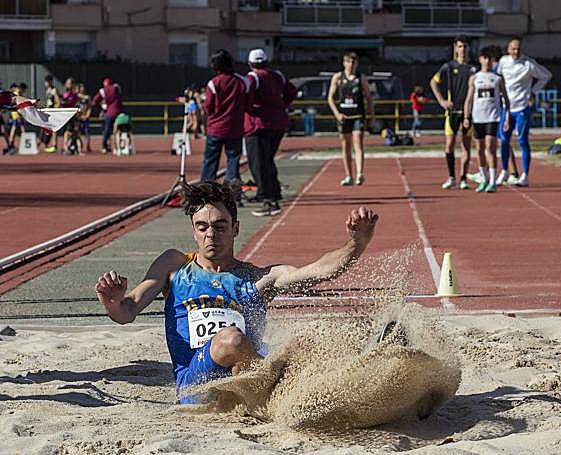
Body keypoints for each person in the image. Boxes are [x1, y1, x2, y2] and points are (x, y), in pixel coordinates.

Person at [95, 181, 379, 404]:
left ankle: (372, 365)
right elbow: (127, 311)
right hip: (199, 383)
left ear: (235, 229)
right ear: (194, 232)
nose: (211, 235)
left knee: (305, 344)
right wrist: (112, 301)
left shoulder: (257, 278)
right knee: (230, 339)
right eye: (202, 227)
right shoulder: (175, 266)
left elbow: (317, 272)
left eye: (220, 227)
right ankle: (275, 394)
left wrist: (356, 244)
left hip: (249, 370)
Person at [244, 48, 298, 217]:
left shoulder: (253, 78)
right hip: (278, 122)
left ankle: (268, 198)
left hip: (259, 124)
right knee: (268, 160)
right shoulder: (278, 75)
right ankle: (271, 192)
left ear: (250, 63)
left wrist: (251, 109)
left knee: (258, 163)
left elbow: (246, 99)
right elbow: (292, 92)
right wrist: (281, 105)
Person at [496, 37, 552, 187]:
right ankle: (504, 171)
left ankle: (525, 175)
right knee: (503, 140)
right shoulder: (503, 62)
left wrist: (533, 92)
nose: (516, 51)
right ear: (508, 50)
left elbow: (546, 76)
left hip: (522, 108)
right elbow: (498, 77)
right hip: (506, 109)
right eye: (513, 49)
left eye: (518, 49)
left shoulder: (528, 64)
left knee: (522, 140)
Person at [430, 35, 477, 190]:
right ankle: (451, 177)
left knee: (466, 146)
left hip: (467, 113)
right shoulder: (448, 67)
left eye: (465, 46)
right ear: (455, 48)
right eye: (460, 46)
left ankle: (463, 178)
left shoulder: (473, 68)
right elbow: (433, 82)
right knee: (449, 145)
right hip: (451, 113)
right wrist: (442, 101)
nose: (462, 49)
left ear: (469, 48)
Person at [463, 47, 510, 194]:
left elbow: (506, 99)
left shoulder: (497, 79)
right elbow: (469, 99)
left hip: (492, 117)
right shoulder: (475, 78)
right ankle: (484, 178)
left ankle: (493, 181)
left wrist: (506, 116)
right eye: (485, 58)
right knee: (479, 149)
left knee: (490, 147)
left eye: (491, 59)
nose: (488, 61)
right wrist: (466, 117)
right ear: (480, 59)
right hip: (478, 118)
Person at [201, 49, 250, 184]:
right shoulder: (242, 81)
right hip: (234, 127)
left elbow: (208, 107)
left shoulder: (214, 83)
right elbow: (248, 102)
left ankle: (207, 189)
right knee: (233, 159)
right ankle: (232, 185)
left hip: (216, 128)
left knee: (210, 160)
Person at [327, 51, 374, 186]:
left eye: (354, 62)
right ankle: (349, 175)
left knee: (358, 142)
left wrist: (371, 115)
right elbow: (330, 98)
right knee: (345, 146)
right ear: (344, 63)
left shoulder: (361, 78)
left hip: (358, 115)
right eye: (349, 62)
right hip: (343, 116)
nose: (351, 65)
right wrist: (337, 114)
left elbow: (369, 98)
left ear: (357, 64)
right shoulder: (337, 77)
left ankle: (360, 173)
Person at [92, 77, 123, 154]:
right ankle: (120, 146)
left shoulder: (103, 91)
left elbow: (94, 101)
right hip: (118, 112)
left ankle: (104, 146)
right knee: (119, 130)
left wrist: (102, 108)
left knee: (107, 129)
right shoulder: (116, 88)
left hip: (108, 113)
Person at [41, 75, 61, 153]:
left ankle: (54, 145)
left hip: (53, 112)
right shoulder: (48, 90)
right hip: (48, 111)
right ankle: (46, 144)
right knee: (46, 128)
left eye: (46, 82)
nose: (45, 83)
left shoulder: (54, 90)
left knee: (54, 129)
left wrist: (56, 110)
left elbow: (57, 101)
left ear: (49, 82)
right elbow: (48, 102)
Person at [62, 77, 80, 155]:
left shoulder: (74, 94)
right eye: (68, 83)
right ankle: (65, 147)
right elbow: (64, 101)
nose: (69, 85)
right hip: (66, 114)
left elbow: (76, 101)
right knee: (68, 131)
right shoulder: (66, 93)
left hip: (73, 114)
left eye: (71, 83)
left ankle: (68, 145)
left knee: (74, 132)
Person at [77, 83, 92, 153]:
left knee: (87, 131)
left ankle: (88, 145)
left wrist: (87, 115)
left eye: (83, 87)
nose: (82, 89)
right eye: (81, 87)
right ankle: (80, 144)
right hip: (79, 117)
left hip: (85, 116)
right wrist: (79, 116)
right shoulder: (77, 96)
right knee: (78, 132)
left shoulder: (87, 97)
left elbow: (89, 107)